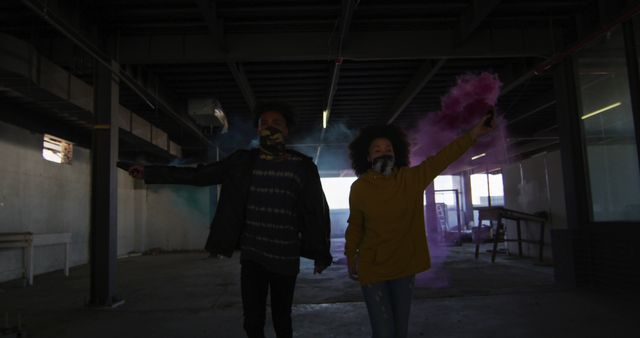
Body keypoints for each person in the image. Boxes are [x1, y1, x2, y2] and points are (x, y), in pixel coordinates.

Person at [128, 101, 333, 338]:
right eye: (264, 123)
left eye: (276, 123)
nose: (269, 127)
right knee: (253, 321)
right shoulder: (242, 161)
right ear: (257, 130)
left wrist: (321, 252)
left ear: (287, 130)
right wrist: (150, 172)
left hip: (285, 257)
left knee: (282, 319)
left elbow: (317, 210)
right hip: (253, 255)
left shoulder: (302, 166)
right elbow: (199, 175)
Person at [345, 112, 495, 338]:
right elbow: (355, 225)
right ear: (366, 157)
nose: (384, 152)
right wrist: (350, 256)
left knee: (399, 331)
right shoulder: (359, 188)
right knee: (383, 332)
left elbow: (443, 157)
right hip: (372, 267)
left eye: (388, 148)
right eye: (377, 149)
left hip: (404, 266)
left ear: (397, 153)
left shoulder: (411, 179)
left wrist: (473, 134)